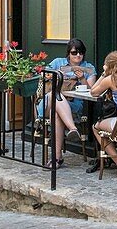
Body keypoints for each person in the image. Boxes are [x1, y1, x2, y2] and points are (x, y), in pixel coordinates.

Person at [40, 39, 96, 169]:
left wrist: (82, 78)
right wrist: (58, 76)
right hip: (47, 103)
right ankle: (73, 129)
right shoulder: (58, 63)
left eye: (81, 53)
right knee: (54, 96)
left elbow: (92, 91)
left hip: (73, 106)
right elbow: (44, 76)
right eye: (74, 52)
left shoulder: (88, 68)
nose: (78, 55)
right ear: (68, 53)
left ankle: (56, 158)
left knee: (58, 112)